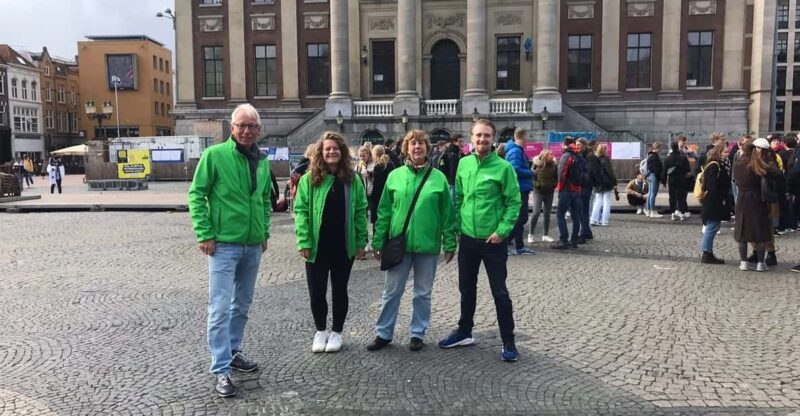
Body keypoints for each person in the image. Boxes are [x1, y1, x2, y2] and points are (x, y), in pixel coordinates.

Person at [187, 103, 271, 398]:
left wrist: (264, 231)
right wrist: (205, 233)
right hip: (223, 244)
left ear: (259, 130)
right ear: (232, 128)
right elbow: (196, 195)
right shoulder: (214, 155)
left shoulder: (262, 160)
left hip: (252, 244)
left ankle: (234, 351)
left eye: (252, 126)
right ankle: (221, 368)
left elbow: (264, 200)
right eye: (241, 125)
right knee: (220, 307)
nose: (246, 131)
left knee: (242, 304)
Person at [438, 118, 521, 362]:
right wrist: (456, 230)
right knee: (466, 288)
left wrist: (502, 230)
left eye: (486, 135)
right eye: (478, 135)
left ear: (493, 139)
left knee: (499, 292)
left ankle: (508, 340)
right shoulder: (463, 164)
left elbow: (514, 202)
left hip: (493, 241)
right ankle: (464, 331)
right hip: (468, 239)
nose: (482, 139)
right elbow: (459, 199)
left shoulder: (503, 168)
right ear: (471, 138)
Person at [367, 130, 457, 352]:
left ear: (427, 148)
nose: (417, 147)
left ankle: (418, 332)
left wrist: (450, 242)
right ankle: (383, 332)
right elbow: (384, 212)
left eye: (421, 143)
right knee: (391, 292)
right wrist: (378, 240)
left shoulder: (438, 178)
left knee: (423, 293)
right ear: (406, 148)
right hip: (400, 244)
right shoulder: (395, 176)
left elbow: (447, 213)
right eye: (413, 143)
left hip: (427, 245)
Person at [294, 131, 368, 354]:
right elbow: (301, 212)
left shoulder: (352, 180)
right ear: (321, 152)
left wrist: (361, 241)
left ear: (342, 152)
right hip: (317, 246)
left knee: (339, 290)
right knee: (316, 291)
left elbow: (360, 211)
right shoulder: (309, 179)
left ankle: (337, 331)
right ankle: (320, 330)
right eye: (327, 149)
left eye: (335, 148)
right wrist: (304, 241)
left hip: (343, 245)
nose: (331, 152)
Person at [733, 143, 773, 272]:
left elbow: (735, 181)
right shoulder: (758, 164)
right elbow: (771, 175)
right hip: (757, 199)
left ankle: (743, 262)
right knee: (760, 232)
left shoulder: (737, 164)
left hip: (742, 199)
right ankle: (761, 263)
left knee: (742, 232)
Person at [504, 127, 535, 255]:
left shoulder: (517, 151)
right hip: (519, 189)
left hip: (522, 188)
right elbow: (514, 170)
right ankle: (506, 242)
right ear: (523, 136)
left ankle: (519, 245)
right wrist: (531, 173)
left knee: (521, 218)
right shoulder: (516, 151)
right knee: (521, 218)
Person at [699, 142, 730, 264]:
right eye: (725, 152)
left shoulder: (717, 165)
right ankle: (707, 253)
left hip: (714, 201)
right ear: (719, 153)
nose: (727, 154)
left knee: (713, 227)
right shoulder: (714, 166)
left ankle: (707, 252)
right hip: (713, 202)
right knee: (711, 227)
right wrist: (720, 196)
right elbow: (712, 186)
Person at [552, 137, 583, 249]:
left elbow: (562, 174)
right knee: (576, 215)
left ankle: (563, 239)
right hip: (577, 189)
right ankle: (574, 240)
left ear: (564, 144)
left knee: (560, 214)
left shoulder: (566, 156)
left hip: (567, 189)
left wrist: (559, 188)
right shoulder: (579, 155)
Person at [529, 149, 557, 243]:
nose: (553, 156)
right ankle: (530, 234)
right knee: (536, 212)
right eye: (550, 154)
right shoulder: (536, 163)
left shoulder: (553, 164)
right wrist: (537, 185)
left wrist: (554, 184)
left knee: (547, 214)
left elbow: (556, 177)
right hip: (538, 192)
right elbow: (532, 177)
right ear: (545, 155)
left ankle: (545, 235)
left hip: (549, 192)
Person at [662, 141, 691, 221]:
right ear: (677, 147)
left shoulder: (667, 158)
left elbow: (664, 171)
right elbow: (687, 170)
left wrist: (664, 182)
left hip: (671, 179)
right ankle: (682, 213)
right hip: (681, 179)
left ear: (671, 148)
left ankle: (673, 213)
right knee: (681, 197)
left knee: (672, 197)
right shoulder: (683, 158)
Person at [589, 143, 617, 226]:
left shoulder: (594, 159)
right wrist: (614, 182)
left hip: (597, 183)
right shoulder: (606, 159)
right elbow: (610, 172)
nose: (607, 150)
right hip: (606, 182)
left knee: (597, 201)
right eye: (606, 149)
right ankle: (604, 220)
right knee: (606, 201)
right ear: (604, 150)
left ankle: (593, 219)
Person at [370, 144, 395, 233]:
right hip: (389, 197)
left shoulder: (378, 167)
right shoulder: (391, 165)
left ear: (375, 155)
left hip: (378, 199)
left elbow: (376, 187)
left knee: (377, 224)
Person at [577, 138, 595, 242]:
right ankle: (587, 232)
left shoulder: (589, 156)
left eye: (579, 145)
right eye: (576, 145)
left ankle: (583, 234)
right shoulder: (582, 155)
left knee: (583, 211)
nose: (577, 146)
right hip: (582, 186)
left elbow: (589, 173)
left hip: (585, 187)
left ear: (584, 145)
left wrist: (580, 180)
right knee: (582, 210)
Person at [440, 134, 465, 201]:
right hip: (453, 182)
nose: (462, 144)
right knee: (453, 202)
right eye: (460, 142)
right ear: (454, 142)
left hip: (450, 181)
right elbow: (453, 171)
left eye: (462, 141)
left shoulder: (454, 152)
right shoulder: (453, 154)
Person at [644, 142, 664, 218]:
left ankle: (648, 210)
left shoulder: (649, 155)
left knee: (650, 194)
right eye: (660, 148)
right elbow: (656, 169)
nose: (661, 150)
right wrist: (660, 178)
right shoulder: (655, 157)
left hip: (649, 176)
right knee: (653, 194)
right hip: (654, 176)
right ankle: (652, 211)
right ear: (657, 148)